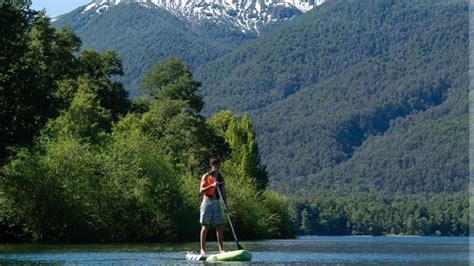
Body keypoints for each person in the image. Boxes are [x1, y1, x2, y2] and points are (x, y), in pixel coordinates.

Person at [199, 158, 227, 255]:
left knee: (219, 226)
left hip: (217, 203)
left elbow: (223, 193)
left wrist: (225, 206)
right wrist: (212, 186)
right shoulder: (206, 176)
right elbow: (201, 191)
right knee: (205, 226)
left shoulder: (221, 178)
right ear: (212, 165)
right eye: (216, 165)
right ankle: (202, 250)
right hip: (207, 202)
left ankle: (221, 249)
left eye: (219, 165)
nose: (218, 167)